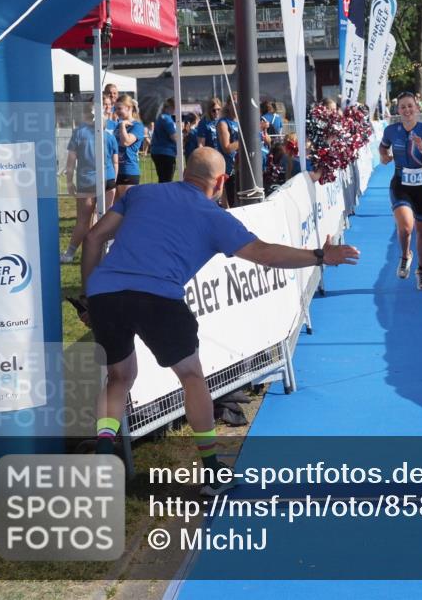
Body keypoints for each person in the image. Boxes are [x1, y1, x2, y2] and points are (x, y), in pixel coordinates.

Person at [76, 147, 359, 491]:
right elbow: (266, 254)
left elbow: (93, 237)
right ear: (222, 180)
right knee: (192, 377)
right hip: (158, 298)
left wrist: (90, 298)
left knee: (119, 378)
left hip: (106, 293)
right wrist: (320, 256)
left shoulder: (140, 193)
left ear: (184, 172)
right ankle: (212, 472)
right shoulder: (213, 216)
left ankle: (103, 454)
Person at [379, 91, 422, 290]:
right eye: (403, 107)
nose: (407, 110)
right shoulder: (391, 130)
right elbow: (383, 147)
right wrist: (384, 157)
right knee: (406, 227)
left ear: (416, 108)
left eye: (410, 106)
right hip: (400, 185)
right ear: (398, 110)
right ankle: (406, 255)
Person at [61, 104, 120, 263]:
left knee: (83, 220)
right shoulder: (110, 137)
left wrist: (69, 182)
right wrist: (113, 181)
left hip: (86, 181)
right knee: (106, 219)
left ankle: (70, 254)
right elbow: (115, 162)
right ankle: (107, 252)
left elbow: (70, 162)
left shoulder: (78, 133)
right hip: (108, 180)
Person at [113, 94, 144, 199]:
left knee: (127, 204)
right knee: (114, 206)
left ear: (129, 108)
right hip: (115, 170)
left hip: (128, 170)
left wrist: (122, 126)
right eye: (115, 109)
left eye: (119, 108)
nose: (117, 111)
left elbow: (126, 142)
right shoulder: (117, 125)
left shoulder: (137, 126)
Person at [216, 97, 241, 208]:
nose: (237, 104)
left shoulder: (241, 122)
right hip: (229, 167)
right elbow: (226, 148)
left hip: (241, 167)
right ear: (228, 105)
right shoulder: (223, 123)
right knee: (231, 202)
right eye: (234, 102)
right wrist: (244, 140)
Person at [150, 98, 180, 182]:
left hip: (158, 151)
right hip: (166, 153)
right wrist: (182, 139)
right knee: (167, 180)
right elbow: (174, 137)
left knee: (162, 179)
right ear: (172, 107)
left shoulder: (161, 117)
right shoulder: (167, 119)